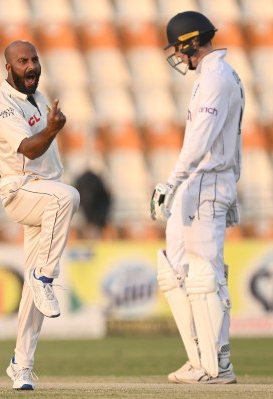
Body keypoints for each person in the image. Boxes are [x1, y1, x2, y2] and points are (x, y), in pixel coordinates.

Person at [150, 11, 244, 384]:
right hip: (199, 184)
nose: (177, 55)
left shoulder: (217, 77)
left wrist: (170, 183)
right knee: (174, 270)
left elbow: (202, 141)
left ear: (191, 43)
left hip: (205, 182)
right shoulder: (214, 75)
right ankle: (198, 358)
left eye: (179, 47)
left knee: (206, 275)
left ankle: (218, 365)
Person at [0, 40, 80, 390]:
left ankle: (21, 365)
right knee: (68, 196)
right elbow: (28, 148)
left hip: (43, 193)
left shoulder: (38, 98)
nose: (31, 66)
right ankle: (46, 277)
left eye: (35, 59)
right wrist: (54, 129)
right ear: (8, 67)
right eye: (23, 61)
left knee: (31, 293)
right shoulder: (2, 108)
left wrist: (52, 123)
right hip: (21, 191)